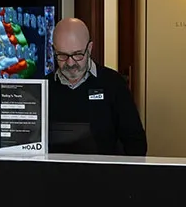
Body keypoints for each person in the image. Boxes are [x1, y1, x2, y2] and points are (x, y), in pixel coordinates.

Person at [48, 18, 147, 156]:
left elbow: (135, 142)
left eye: (77, 55)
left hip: (104, 174)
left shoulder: (113, 84)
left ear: (89, 48)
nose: (70, 63)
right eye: (62, 55)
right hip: (52, 174)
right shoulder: (43, 87)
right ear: (53, 50)